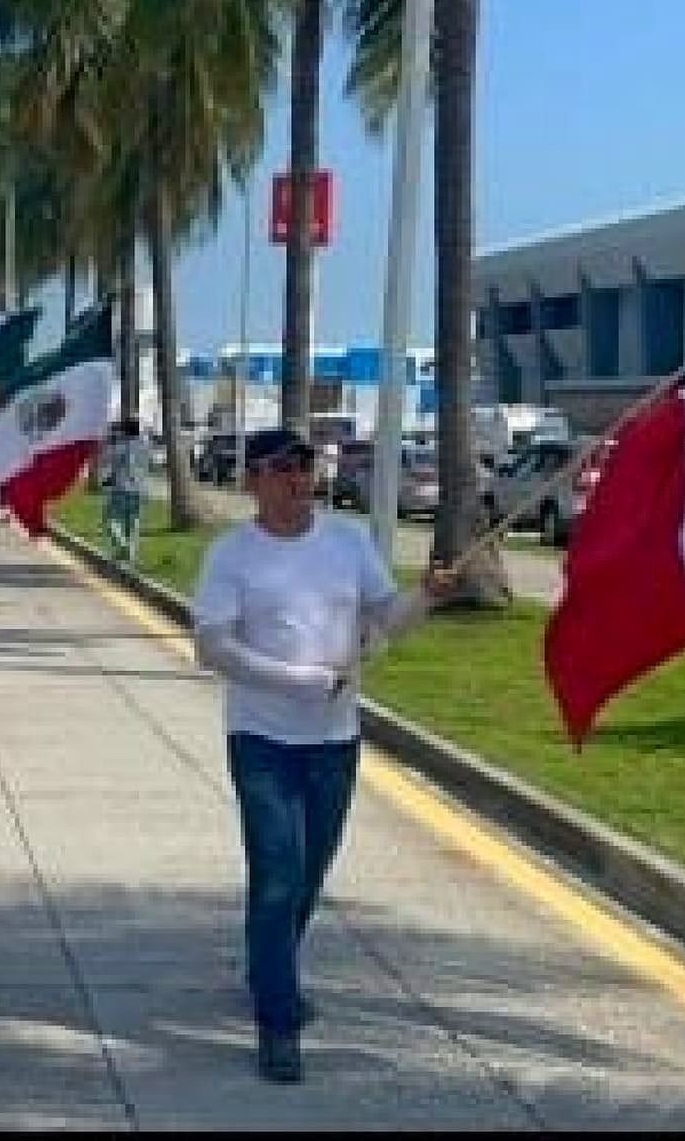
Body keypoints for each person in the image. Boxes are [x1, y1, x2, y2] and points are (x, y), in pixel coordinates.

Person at [191, 427, 458, 1085]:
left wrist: (425, 596)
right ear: (252, 481)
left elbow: (383, 617)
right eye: (280, 469)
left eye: (304, 466)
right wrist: (299, 681)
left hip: (334, 742)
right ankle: (278, 1022)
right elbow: (213, 647)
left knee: (308, 875)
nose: (295, 480)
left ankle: (266, 967)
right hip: (262, 739)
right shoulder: (233, 554)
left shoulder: (348, 540)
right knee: (277, 875)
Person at [100, 417, 150, 557]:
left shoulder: (121, 446)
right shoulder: (145, 445)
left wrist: (110, 443)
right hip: (139, 489)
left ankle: (123, 546)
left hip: (121, 488)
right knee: (132, 524)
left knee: (110, 520)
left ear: (124, 431)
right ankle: (130, 553)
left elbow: (109, 460)